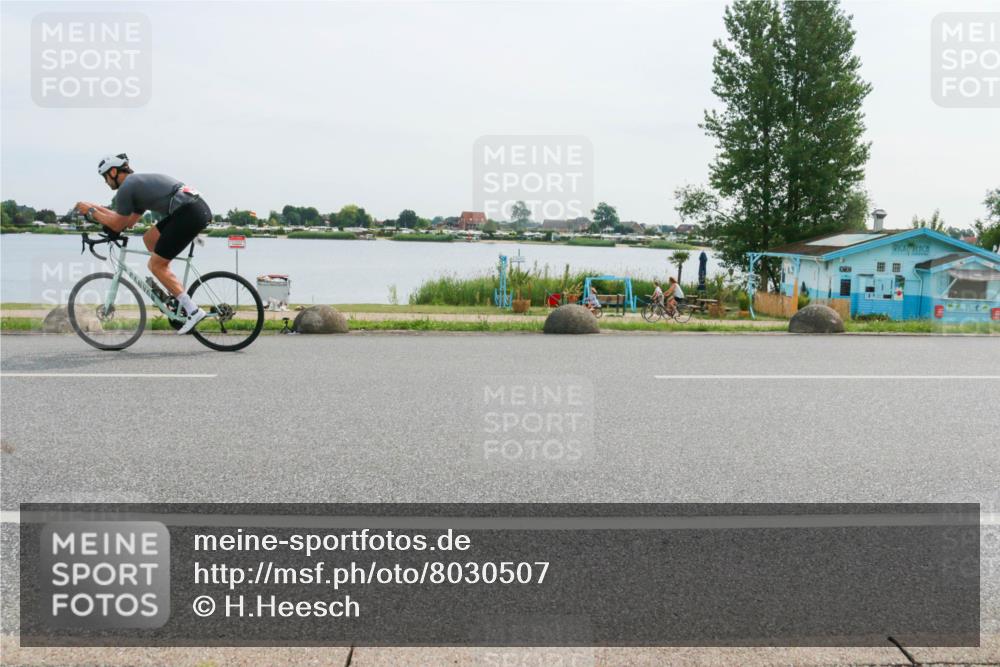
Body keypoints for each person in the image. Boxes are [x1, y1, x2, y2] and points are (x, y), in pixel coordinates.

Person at [75, 154, 212, 334]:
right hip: (193, 209)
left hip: (188, 213)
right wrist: (96, 208)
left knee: (155, 265)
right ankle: (177, 294)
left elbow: (117, 224)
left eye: (105, 177)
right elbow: (128, 222)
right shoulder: (137, 185)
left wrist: (91, 211)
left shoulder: (126, 189)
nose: (106, 182)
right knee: (149, 239)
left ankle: (193, 310)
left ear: (114, 172)